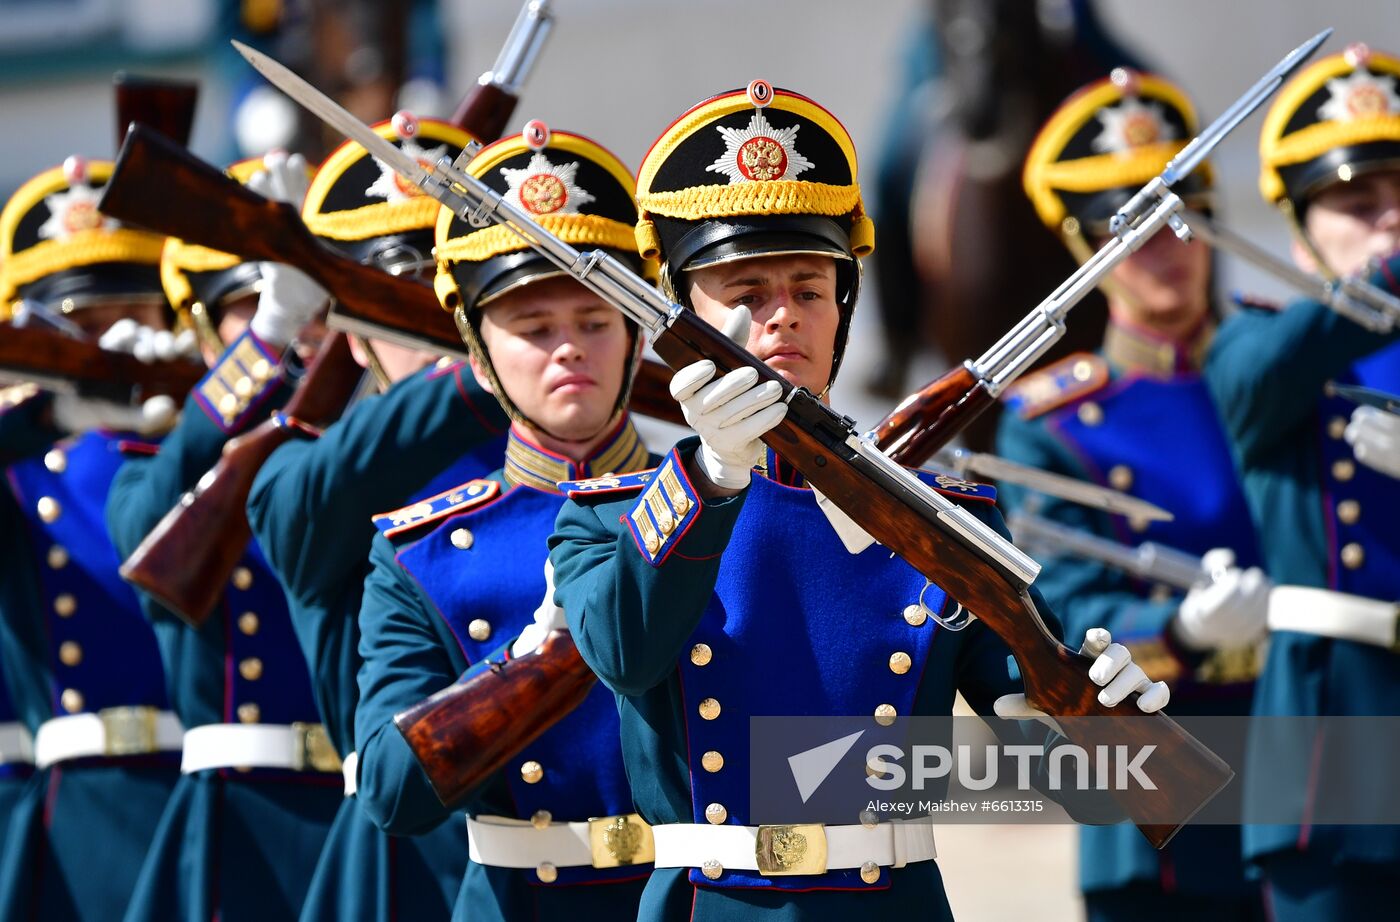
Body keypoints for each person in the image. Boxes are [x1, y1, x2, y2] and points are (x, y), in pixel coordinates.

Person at [547, 82, 1171, 921]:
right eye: (744, 293)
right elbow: (626, 653)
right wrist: (712, 476)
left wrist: (1097, 716)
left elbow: (1048, 764)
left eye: (809, 289)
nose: (782, 318)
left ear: (843, 308)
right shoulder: (609, 514)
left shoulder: (947, 518)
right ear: (681, 312)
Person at [353, 126, 656, 921]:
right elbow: (390, 791)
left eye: (594, 321)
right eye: (532, 327)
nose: (568, 350)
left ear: (634, 338)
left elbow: (828, 757)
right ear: (480, 358)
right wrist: (527, 663)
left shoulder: (723, 505)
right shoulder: (420, 552)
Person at [999, 70, 1268, 921]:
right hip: (1166, 793)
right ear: (1087, 249)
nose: (1168, 248)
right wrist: (1179, 632)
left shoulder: (1278, 369)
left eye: (1181, 219)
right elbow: (1066, 610)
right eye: (1133, 230)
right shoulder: (1054, 424)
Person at [245, 116, 511, 922]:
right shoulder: (311, 479)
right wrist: (482, 374)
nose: (440, 321)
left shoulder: (589, 456)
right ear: (353, 340)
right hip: (408, 865)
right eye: (406, 301)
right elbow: (302, 503)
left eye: (454, 292)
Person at [106, 151, 344, 922]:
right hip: (244, 810)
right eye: (260, 304)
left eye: (312, 306)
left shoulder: (367, 443)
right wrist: (263, 348)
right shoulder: (161, 460)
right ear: (208, 333)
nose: (297, 322)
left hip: (363, 809)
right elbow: (142, 539)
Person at [1205, 43, 1400, 921]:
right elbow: (1254, 381)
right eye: (1359, 204)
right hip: (1335, 734)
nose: (1390, 221)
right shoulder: (1259, 344)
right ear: (1297, 231)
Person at [0, 154, 191, 922]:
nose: (103, 350)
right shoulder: (18, 466)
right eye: (74, 332)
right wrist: (48, 414)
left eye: (128, 323)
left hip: (210, 793)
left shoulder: (199, 450)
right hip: (73, 806)